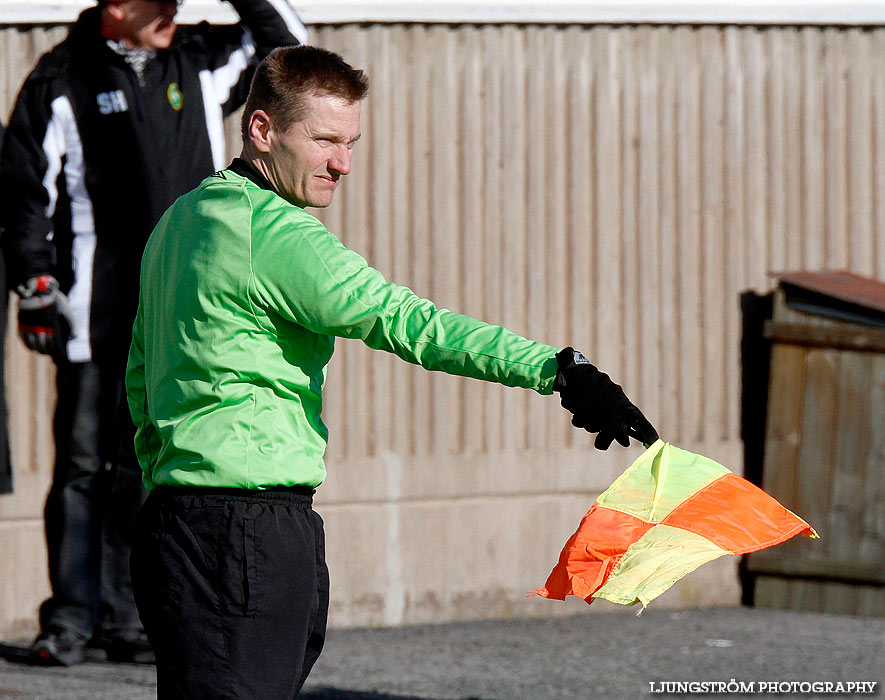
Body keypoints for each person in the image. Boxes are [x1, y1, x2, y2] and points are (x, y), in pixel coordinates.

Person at [126, 45, 659, 699]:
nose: (342, 163)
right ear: (261, 130)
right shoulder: (277, 235)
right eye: (324, 140)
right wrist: (556, 368)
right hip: (247, 533)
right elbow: (408, 322)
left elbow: (140, 372)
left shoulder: (179, 221)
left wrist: (164, 485)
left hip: (177, 523)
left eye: (350, 142)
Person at [0, 0, 306, 667]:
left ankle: (134, 621)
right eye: (158, 0)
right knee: (83, 468)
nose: (173, 8)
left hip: (179, 314)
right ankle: (71, 621)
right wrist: (35, 282)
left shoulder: (198, 59)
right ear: (116, 6)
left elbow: (288, 53)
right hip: (92, 312)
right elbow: (22, 189)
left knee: (152, 467)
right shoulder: (61, 78)